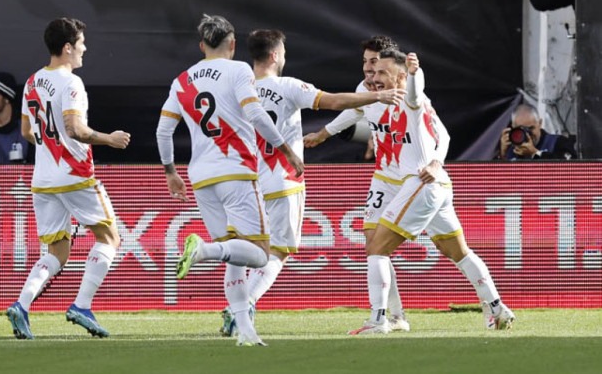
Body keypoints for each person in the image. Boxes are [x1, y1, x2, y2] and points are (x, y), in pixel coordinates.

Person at [219, 29, 406, 337]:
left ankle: (236, 303)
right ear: (276, 55)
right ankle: (241, 306)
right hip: (282, 180)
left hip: (245, 184)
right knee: (277, 252)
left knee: (247, 250)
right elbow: (332, 102)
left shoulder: (236, 90)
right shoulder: (289, 86)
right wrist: (378, 95)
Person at [156, 15, 304, 347]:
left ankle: (246, 333)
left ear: (201, 45)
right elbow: (254, 114)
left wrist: (170, 172)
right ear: (233, 43)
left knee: (235, 256)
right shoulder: (239, 71)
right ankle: (204, 251)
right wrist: (286, 150)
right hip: (236, 171)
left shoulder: (182, 81)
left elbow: (163, 130)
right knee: (261, 254)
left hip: (201, 177)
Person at [349, 49, 515, 335]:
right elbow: (445, 135)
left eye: (382, 73)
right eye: (373, 72)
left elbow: (413, 92)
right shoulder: (392, 103)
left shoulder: (410, 98)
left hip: (420, 184)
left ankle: (378, 321)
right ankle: (497, 307)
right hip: (437, 184)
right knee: (457, 252)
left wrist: (414, 74)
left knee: (376, 247)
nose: (375, 78)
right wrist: (438, 160)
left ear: (400, 77)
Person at [6, 17, 131, 340]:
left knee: (57, 252)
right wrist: (109, 139)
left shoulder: (32, 82)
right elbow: (76, 129)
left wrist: (50, 145)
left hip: (43, 178)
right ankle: (82, 305)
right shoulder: (71, 83)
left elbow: (25, 132)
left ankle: (21, 305)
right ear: (67, 47)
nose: (84, 49)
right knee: (110, 239)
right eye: (81, 44)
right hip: (74, 175)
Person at [303, 36, 411, 331]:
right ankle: (393, 315)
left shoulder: (408, 91)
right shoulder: (365, 90)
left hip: (415, 178)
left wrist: (435, 160)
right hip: (384, 176)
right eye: (364, 62)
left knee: (453, 247)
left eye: (373, 62)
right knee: (374, 244)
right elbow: (353, 111)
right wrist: (323, 133)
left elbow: (436, 129)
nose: (367, 68)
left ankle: (493, 304)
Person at [497, 103, 577, 160]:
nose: (527, 134)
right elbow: (495, 180)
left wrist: (536, 153)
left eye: (531, 128)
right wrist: (502, 155)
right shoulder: (509, 150)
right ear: (512, 128)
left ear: (540, 123)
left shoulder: (557, 142)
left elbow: (568, 171)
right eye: (521, 129)